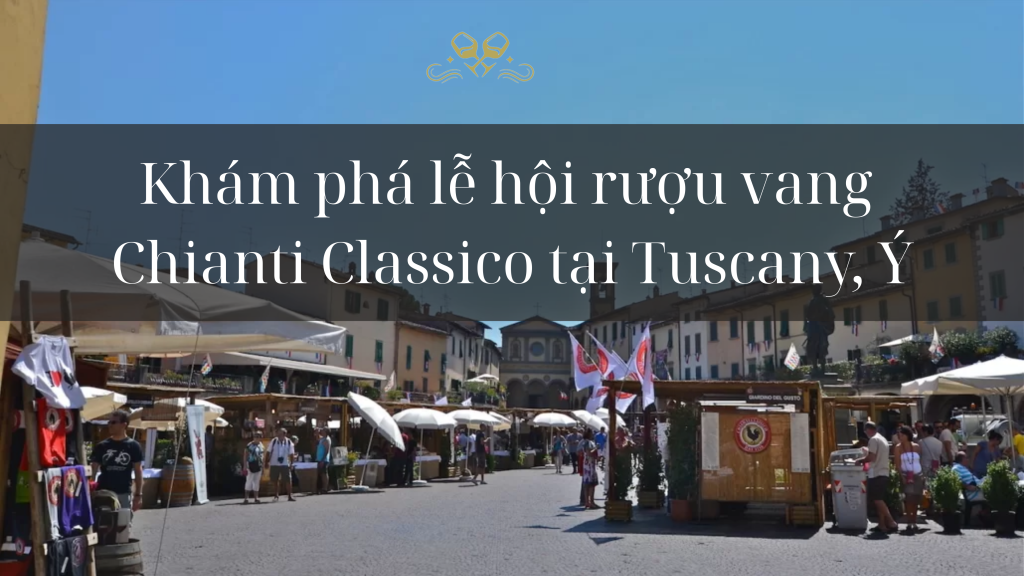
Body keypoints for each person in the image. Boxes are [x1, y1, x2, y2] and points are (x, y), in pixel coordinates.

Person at [90, 410, 144, 513]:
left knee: (124, 522)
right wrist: (90, 490)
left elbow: (138, 471)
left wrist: (138, 495)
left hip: (123, 492)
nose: (110, 425)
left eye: (113, 422)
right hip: (104, 492)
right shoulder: (102, 446)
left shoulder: (134, 446)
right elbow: (93, 469)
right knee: (104, 521)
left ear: (124, 425)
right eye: (109, 422)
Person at [855, 422, 897, 533]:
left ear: (868, 430)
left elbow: (872, 457)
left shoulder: (873, 440)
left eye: (865, 432)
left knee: (877, 500)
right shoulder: (882, 439)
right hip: (883, 471)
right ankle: (882, 524)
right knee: (879, 499)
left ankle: (891, 522)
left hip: (876, 473)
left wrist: (860, 460)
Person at [892, 425, 923, 532]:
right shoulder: (898, 448)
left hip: (918, 475)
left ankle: (914, 520)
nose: (900, 437)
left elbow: (920, 461)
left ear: (907, 435)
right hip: (906, 475)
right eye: (899, 435)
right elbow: (897, 464)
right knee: (909, 499)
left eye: (902, 435)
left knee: (916, 499)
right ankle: (909, 521)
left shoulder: (916, 446)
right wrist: (902, 476)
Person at [265, 428, 296, 502]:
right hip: (274, 463)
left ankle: (289, 495)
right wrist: (266, 462)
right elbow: (268, 452)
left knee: (288, 480)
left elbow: (292, 454)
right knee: (275, 480)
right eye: (278, 434)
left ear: (284, 434)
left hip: (285, 463)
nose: (279, 435)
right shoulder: (274, 441)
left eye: (280, 434)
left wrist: (291, 464)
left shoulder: (289, 442)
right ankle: (276, 495)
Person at [580, 429, 600, 509]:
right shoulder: (589, 442)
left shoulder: (584, 442)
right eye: (592, 433)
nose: (593, 435)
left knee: (586, 484)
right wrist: (596, 448)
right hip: (590, 464)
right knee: (592, 483)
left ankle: (587, 502)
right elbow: (589, 453)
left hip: (586, 464)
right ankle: (591, 502)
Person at [243, 431, 264, 504]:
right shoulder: (249, 445)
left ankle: (256, 497)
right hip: (250, 465)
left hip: (259, 465)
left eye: (258, 436)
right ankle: (246, 498)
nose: (256, 438)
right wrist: (245, 466)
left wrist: (263, 467)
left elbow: (262, 456)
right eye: (255, 436)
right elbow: (245, 455)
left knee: (256, 482)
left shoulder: (261, 445)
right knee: (249, 481)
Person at [314, 428, 332, 495]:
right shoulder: (322, 438)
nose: (322, 431)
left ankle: (325, 488)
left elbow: (327, 450)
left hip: (323, 460)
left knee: (324, 473)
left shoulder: (327, 439)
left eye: (323, 430)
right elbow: (317, 438)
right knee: (321, 474)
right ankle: (321, 488)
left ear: (326, 432)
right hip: (319, 459)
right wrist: (317, 432)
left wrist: (322, 459)